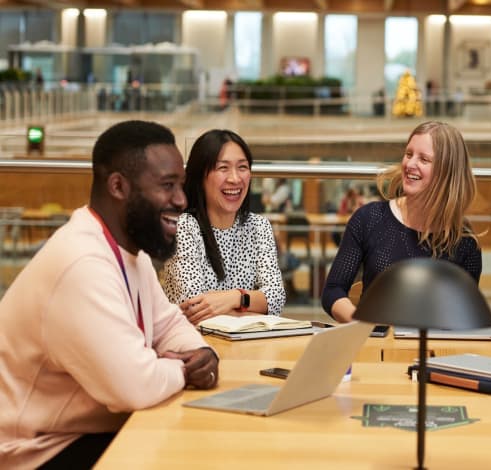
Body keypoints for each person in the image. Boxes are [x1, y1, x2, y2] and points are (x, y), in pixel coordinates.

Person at [0, 120, 219, 468]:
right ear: (118, 186)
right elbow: (134, 387)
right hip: (35, 452)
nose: (181, 200)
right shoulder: (81, 263)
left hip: (79, 433)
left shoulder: (129, 251)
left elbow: (168, 325)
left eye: (181, 185)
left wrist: (200, 352)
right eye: (167, 185)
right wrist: (183, 371)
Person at [322, 121, 482, 323]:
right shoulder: (369, 218)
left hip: (435, 348)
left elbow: (463, 316)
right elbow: (332, 291)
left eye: (424, 159)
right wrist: (361, 326)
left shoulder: (465, 240)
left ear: (446, 173)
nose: (410, 164)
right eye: (408, 154)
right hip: (374, 347)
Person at [162, 129, 285, 324]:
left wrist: (236, 297)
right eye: (223, 168)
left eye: (242, 167)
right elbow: (195, 309)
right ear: (200, 175)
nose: (235, 179)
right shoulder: (183, 226)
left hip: (249, 346)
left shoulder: (259, 226)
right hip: (195, 345)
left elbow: (276, 299)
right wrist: (256, 308)